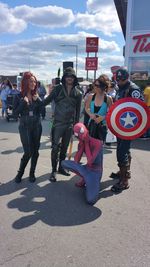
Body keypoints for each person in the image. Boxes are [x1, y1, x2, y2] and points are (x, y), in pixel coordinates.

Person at [43, 67, 82, 182]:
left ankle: (61, 168)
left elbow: (78, 110)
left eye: (72, 76)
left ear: (74, 78)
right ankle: (53, 170)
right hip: (58, 123)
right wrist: (36, 103)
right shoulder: (58, 89)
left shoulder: (78, 93)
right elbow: (47, 101)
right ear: (64, 78)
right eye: (67, 76)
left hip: (69, 125)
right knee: (55, 148)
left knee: (64, 149)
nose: (69, 78)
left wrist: (76, 126)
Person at [110, 68, 144, 193]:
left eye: (122, 79)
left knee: (121, 152)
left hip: (129, 127)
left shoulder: (133, 89)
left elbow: (141, 108)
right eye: (117, 79)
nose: (119, 82)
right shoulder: (120, 88)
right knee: (123, 149)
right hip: (120, 125)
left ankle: (124, 181)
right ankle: (124, 172)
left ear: (127, 77)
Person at [61, 122, 103, 204]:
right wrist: (82, 145)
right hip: (87, 169)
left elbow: (90, 161)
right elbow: (76, 161)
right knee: (64, 163)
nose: (80, 139)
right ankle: (85, 178)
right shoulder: (82, 143)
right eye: (78, 138)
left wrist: (86, 144)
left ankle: (88, 179)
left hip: (95, 172)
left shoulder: (98, 143)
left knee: (91, 200)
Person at [13, 72, 42, 183]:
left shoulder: (37, 95)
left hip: (37, 126)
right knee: (28, 152)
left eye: (34, 81)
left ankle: (32, 173)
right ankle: (20, 172)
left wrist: (38, 100)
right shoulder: (18, 96)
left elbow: (42, 112)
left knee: (36, 151)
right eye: (31, 81)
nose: (33, 83)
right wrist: (22, 103)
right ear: (25, 82)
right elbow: (15, 114)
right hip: (24, 126)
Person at [85, 75, 112, 143]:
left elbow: (112, 113)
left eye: (97, 85)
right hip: (91, 125)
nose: (95, 87)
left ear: (103, 86)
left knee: (99, 148)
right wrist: (90, 114)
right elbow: (86, 108)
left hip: (102, 126)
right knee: (90, 146)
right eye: (95, 84)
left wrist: (103, 117)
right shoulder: (91, 97)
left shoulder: (108, 98)